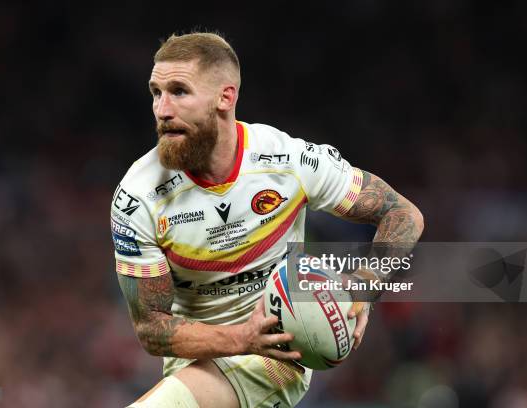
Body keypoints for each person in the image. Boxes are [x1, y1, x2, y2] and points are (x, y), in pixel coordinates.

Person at [111, 32, 424, 408]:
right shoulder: (137, 197)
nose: (162, 109)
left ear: (225, 97)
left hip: (279, 353)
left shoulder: (288, 161)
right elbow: (152, 330)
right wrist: (241, 337)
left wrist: (365, 285)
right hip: (198, 362)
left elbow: (402, 213)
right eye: (155, 92)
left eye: (178, 91)